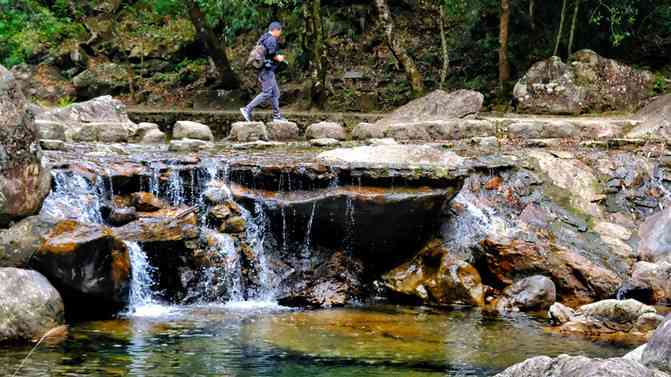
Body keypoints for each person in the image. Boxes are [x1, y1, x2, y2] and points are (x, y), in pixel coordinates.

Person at [240, 21, 287, 122]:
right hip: (266, 70)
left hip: (266, 70)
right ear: (275, 30)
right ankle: (247, 109)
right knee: (267, 93)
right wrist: (279, 58)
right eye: (279, 30)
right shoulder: (271, 39)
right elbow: (271, 55)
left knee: (275, 93)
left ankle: (277, 116)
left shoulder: (264, 38)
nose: (280, 33)